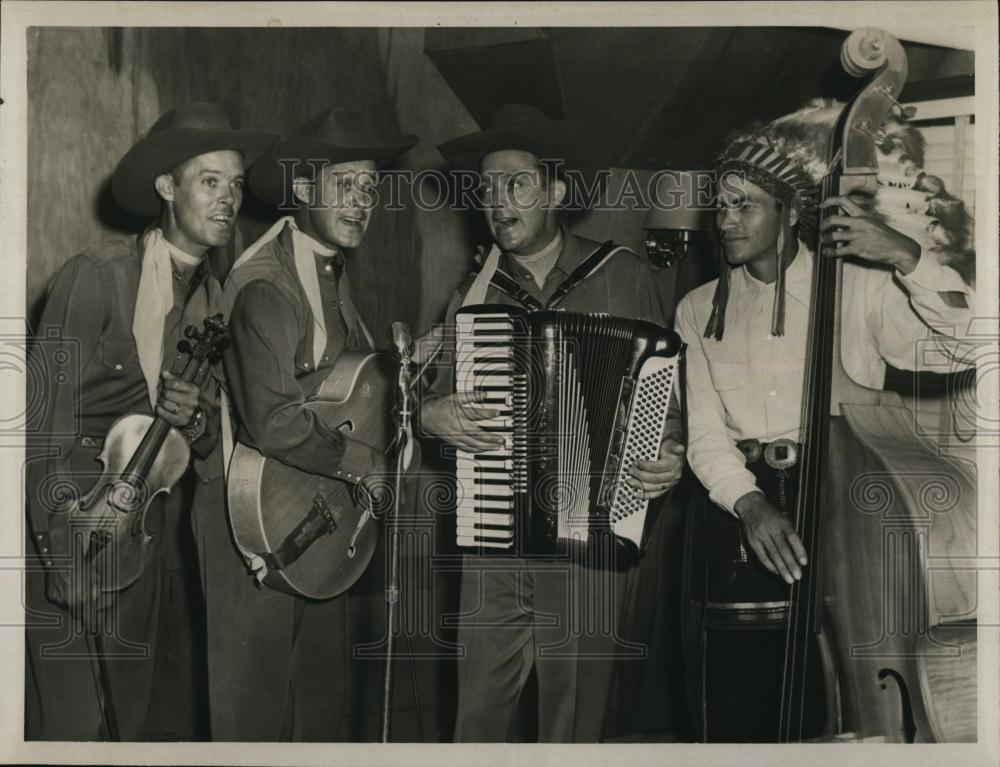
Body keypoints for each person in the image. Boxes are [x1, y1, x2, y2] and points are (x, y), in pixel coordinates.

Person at [674, 103, 976, 741]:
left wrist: (907, 257)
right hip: (741, 511)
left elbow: (964, 345)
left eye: (744, 205)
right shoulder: (697, 308)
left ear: (788, 211)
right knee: (742, 699)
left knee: (845, 682)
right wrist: (751, 505)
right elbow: (704, 431)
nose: (725, 220)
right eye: (719, 206)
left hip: (847, 501)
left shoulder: (858, 284)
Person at [422, 103, 686, 742]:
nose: (497, 202)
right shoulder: (477, 293)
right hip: (493, 535)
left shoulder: (621, 275)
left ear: (557, 191)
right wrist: (434, 417)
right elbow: (430, 398)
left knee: (574, 724)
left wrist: (670, 449)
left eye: (516, 184)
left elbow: (669, 400)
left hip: (591, 538)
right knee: (477, 718)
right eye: (487, 189)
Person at [24, 102, 275, 740]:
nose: (228, 198)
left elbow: (217, 458)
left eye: (236, 184)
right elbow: (38, 431)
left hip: (142, 544)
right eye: (210, 180)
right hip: (66, 529)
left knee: (127, 725)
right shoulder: (97, 278)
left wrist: (195, 424)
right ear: (166, 187)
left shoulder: (219, 305)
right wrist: (62, 561)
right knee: (68, 729)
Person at [189, 106, 418, 741]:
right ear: (300, 189)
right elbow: (276, 422)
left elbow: (336, 397)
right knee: (252, 718)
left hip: (311, 512)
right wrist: (368, 464)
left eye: (369, 188)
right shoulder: (266, 283)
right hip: (251, 518)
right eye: (344, 184)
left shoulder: (328, 269)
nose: (362, 201)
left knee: (319, 706)